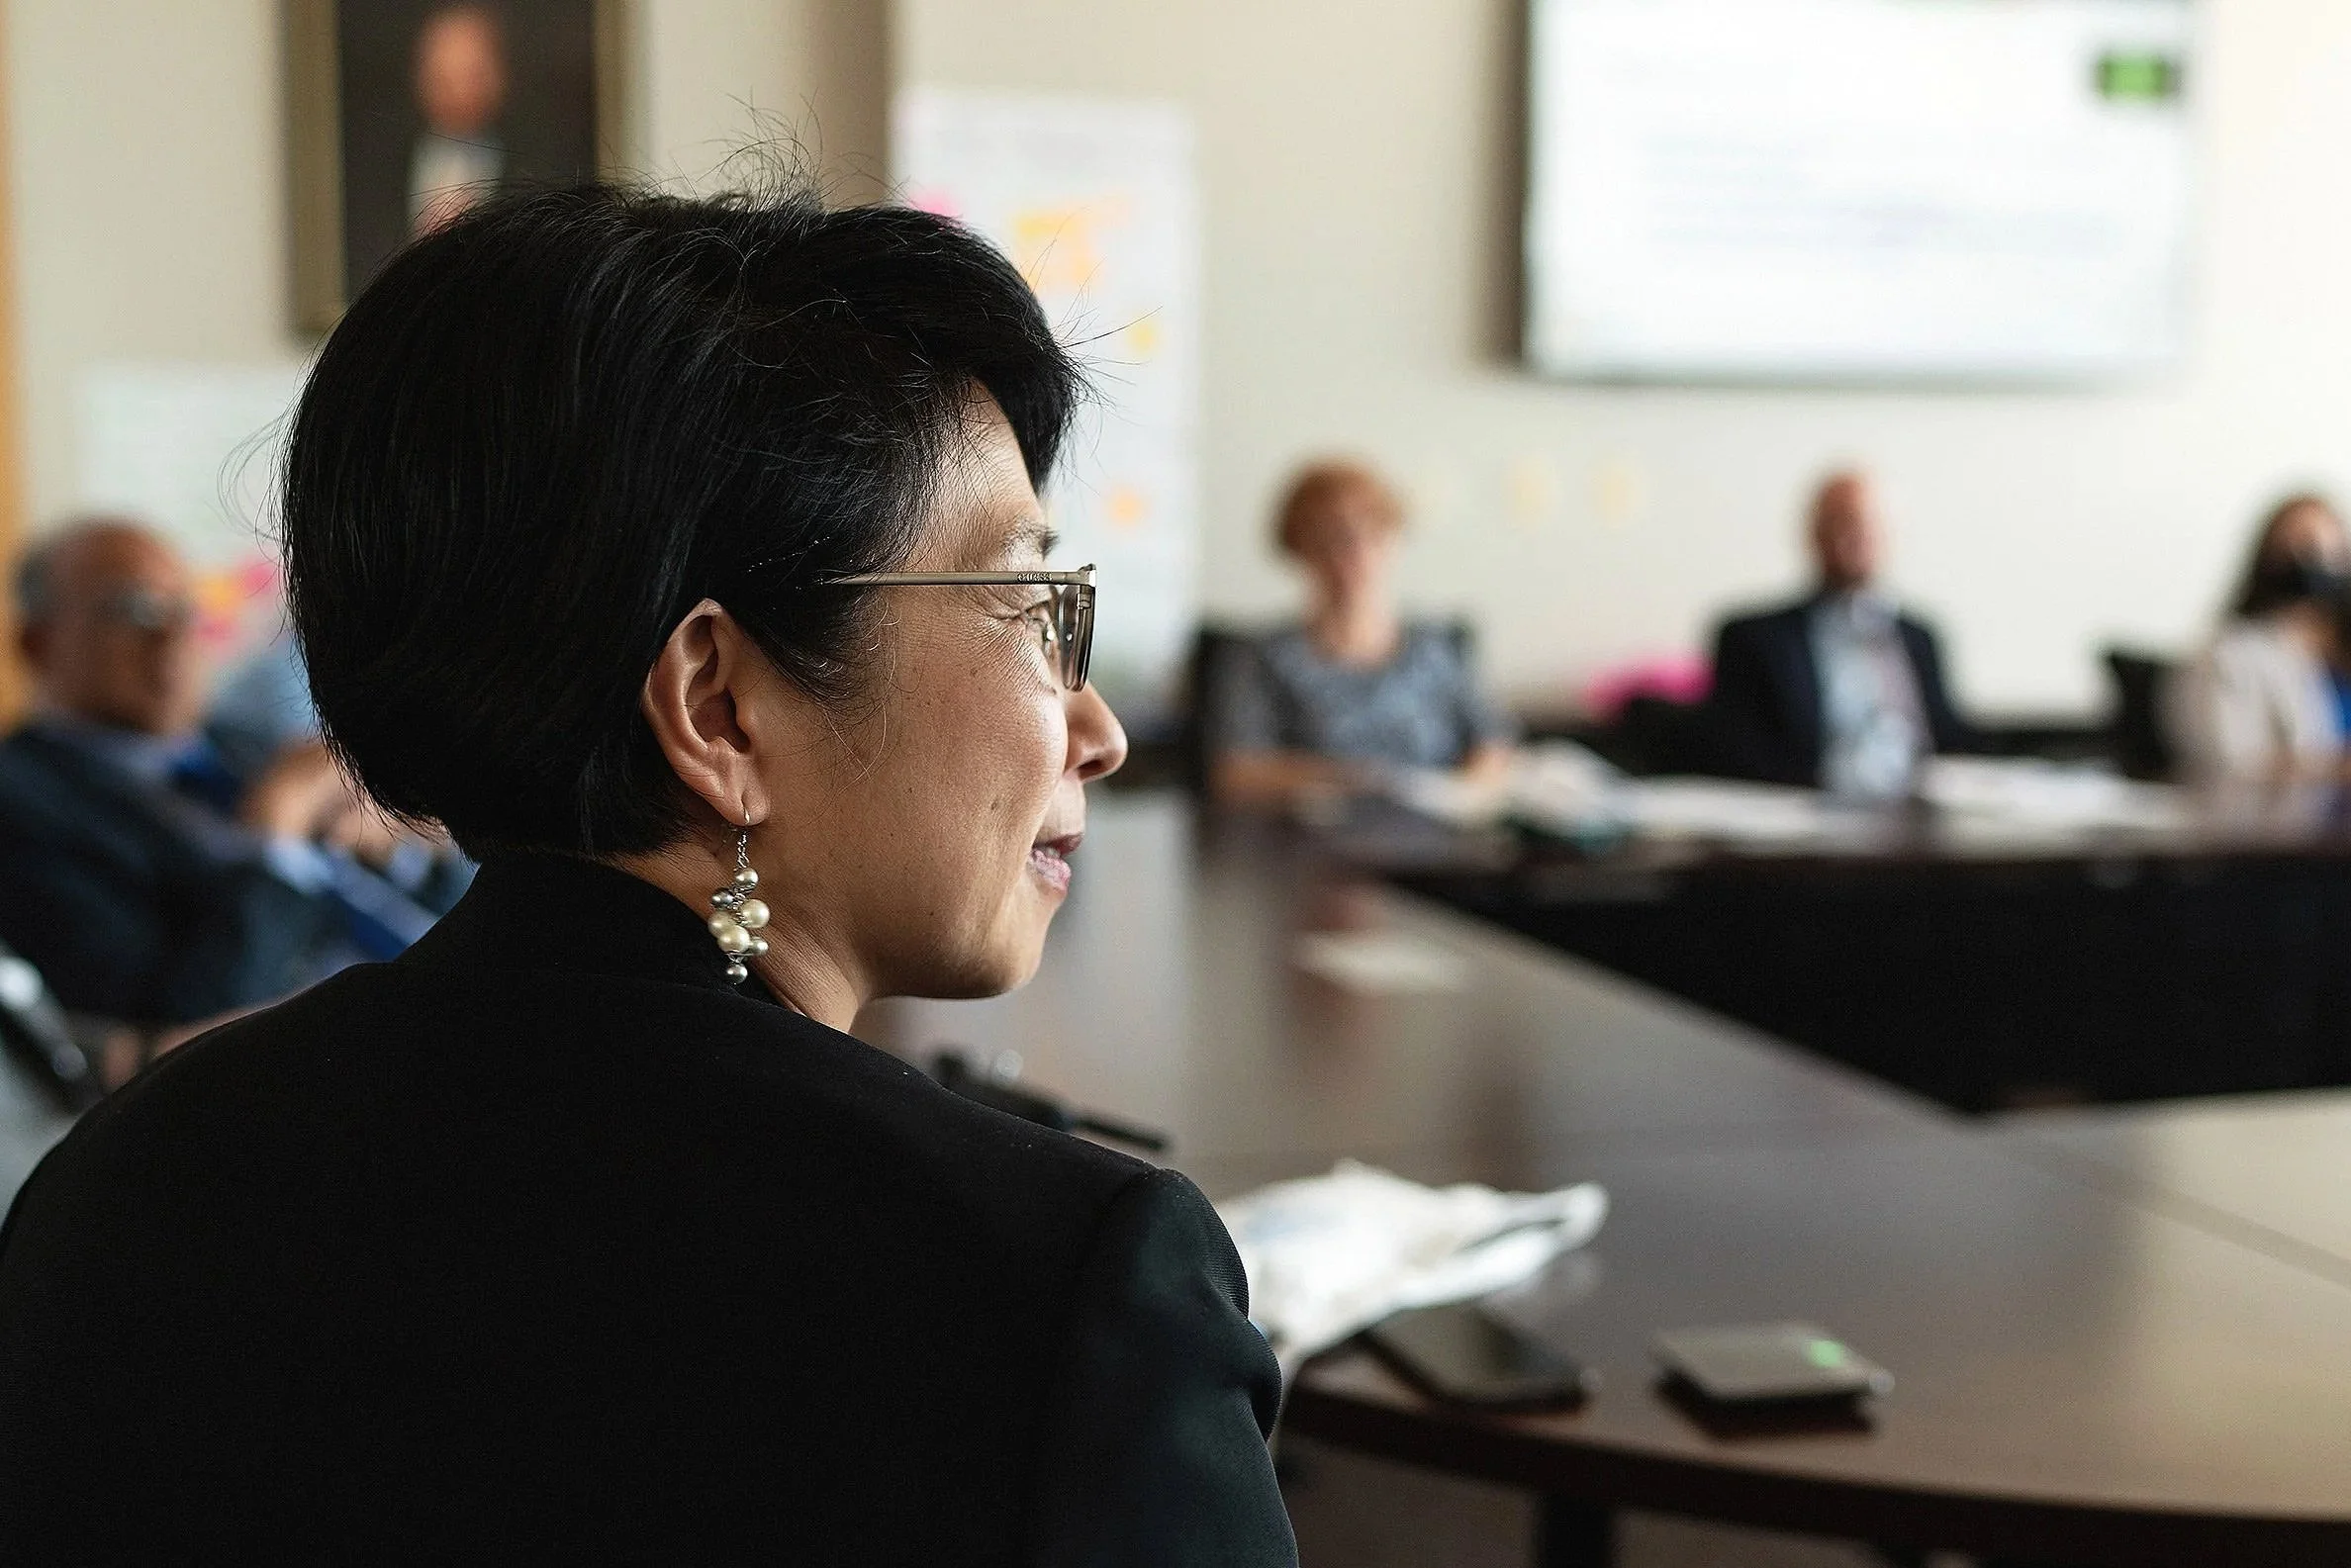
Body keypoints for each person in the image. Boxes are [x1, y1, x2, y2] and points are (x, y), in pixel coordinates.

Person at [0, 182, 1296, 1564]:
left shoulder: (115, 1184)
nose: (1094, 729)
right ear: (721, 710)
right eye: (1035, 607)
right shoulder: (1064, 1285)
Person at [0, 520, 454, 1030]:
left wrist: (408, 850)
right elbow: (180, 1032)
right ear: (36, 643)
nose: (172, 635)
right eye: (135, 610)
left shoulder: (248, 745)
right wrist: (274, 839)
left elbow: (449, 899)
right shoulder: (21, 803)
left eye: (185, 610)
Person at [1210, 460, 1514, 804]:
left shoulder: (1437, 647)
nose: (1356, 551)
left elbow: (1492, 744)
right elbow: (1238, 772)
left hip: (1436, 840)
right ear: (1299, 547)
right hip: (1312, 844)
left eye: (1373, 532)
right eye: (1334, 537)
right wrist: (1362, 781)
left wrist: (1468, 790)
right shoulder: (1259, 657)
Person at [1706, 470, 1975, 794]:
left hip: (1915, 816)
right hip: (1808, 818)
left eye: (1867, 526)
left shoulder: (1920, 637)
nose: (1854, 539)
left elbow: (1949, 742)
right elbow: (1738, 755)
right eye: (1841, 524)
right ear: (1813, 534)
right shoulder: (1756, 639)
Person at [2167, 493, 2351, 784]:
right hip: (2285, 823)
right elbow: (2230, 760)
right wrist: (2330, 767)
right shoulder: (2229, 655)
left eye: (2319, 548)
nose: (2307, 561)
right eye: (2291, 550)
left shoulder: (2336, 654)